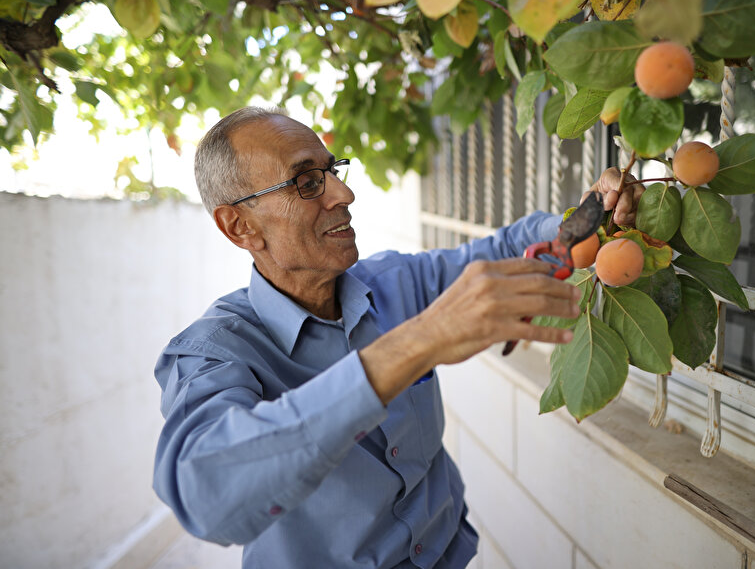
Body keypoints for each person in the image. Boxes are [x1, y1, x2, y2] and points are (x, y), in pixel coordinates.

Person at [152, 106, 641, 568]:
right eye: (306, 181)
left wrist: (588, 218)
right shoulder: (214, 351)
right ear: (239, 226)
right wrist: (417, 343)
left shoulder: (395, 282)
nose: (343, 194)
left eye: (333, 169)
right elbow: (206, 496)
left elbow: (511, 249)